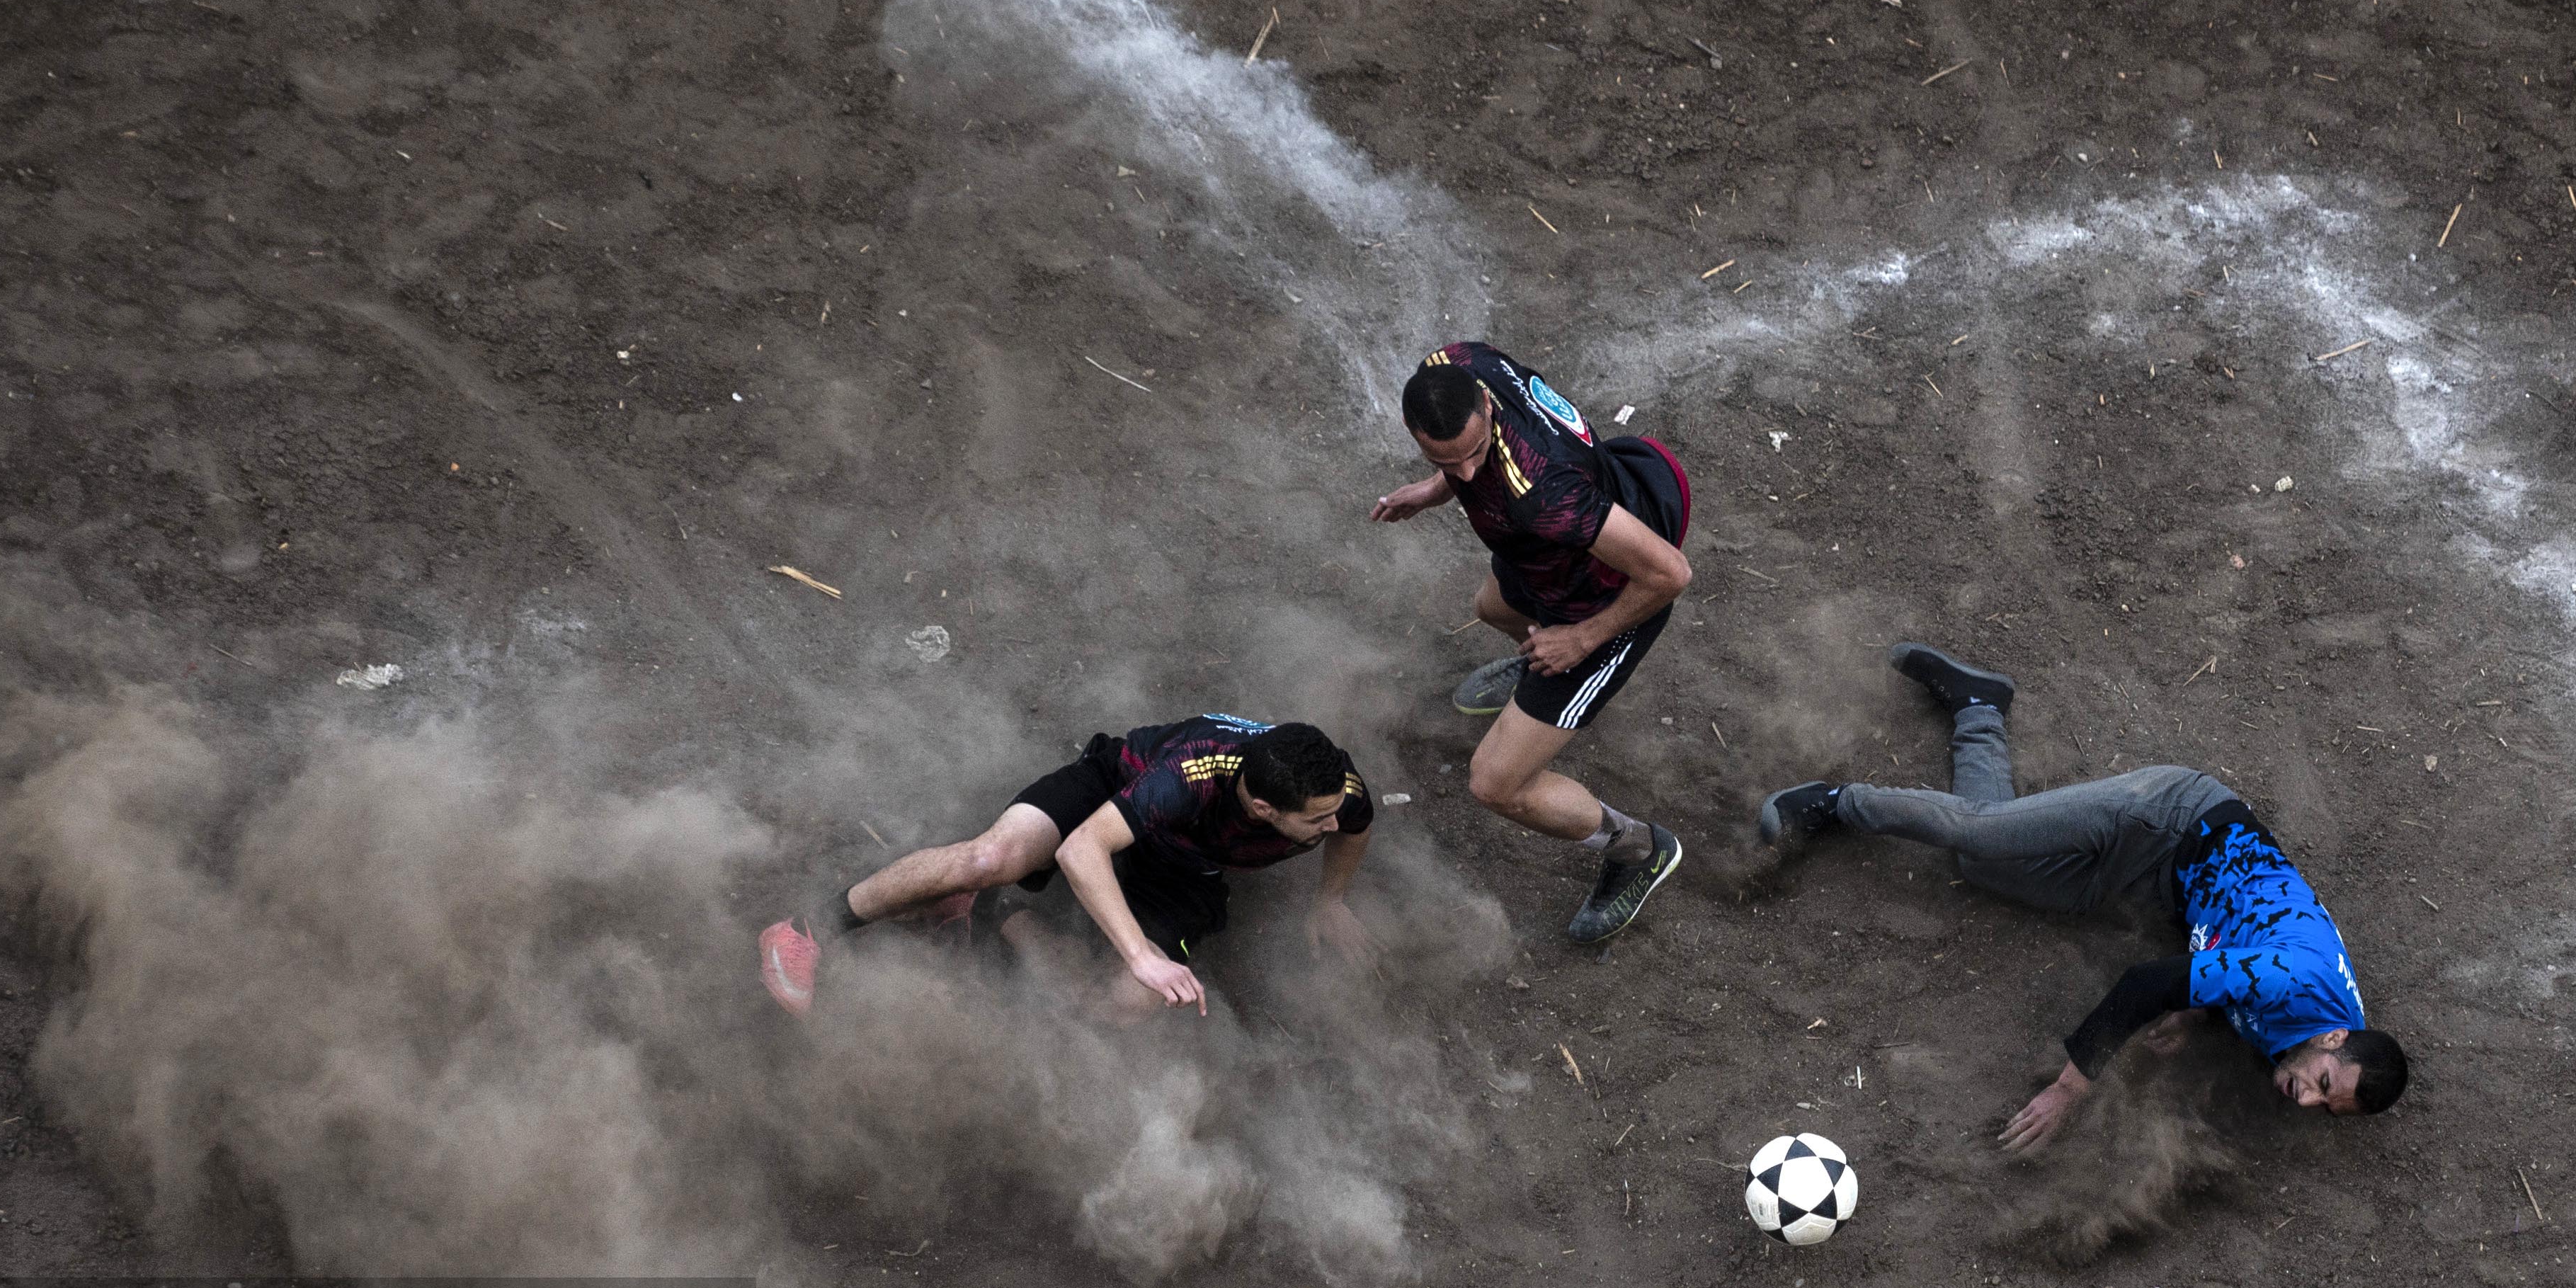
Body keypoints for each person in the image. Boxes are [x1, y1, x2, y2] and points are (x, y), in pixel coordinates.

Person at [1758, 641, 2409, 1149]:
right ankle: (1835, 803)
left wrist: (2197, 1010)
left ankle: (1979, 708)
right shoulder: (2301, 983)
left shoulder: (2309, 1044)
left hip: (2162, 887)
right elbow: (2143, 986)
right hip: (2171, 818)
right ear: (2332, 1040)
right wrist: (2067, 1093)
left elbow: (2238, 964)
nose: (2306, 1101)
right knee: (1980, 833)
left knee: (1985, 867)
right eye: (2324, 1087)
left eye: (2328, 1109)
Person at [1369, 341, 1692, 944]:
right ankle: (1533, 670)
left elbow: (1670, 575)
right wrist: (1432, 488)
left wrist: (1581, 639)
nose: (1464, 472)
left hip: (1604, 598)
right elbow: (1462, 463)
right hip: (1547, 557)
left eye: (1473, 456)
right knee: (1491, 606)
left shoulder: (1545, 495)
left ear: (1488, 411)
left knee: (1496, 783)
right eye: (1446, 459)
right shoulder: (1455, 364)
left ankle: (1638, 849)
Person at [760, 715, 1373, 1021]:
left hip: (1191, 866)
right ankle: (807, 928)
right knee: (988, 858)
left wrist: (1331, 900)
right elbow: (1081, 847)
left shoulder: (1336, 790)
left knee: (1130, 1001)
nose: (1331, 825)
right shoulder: (1184, 781)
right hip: (1115, 797)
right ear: (1263, 808)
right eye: (1317, 821)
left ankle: (1006, 917)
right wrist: (1141, 952)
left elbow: (1357, 826)